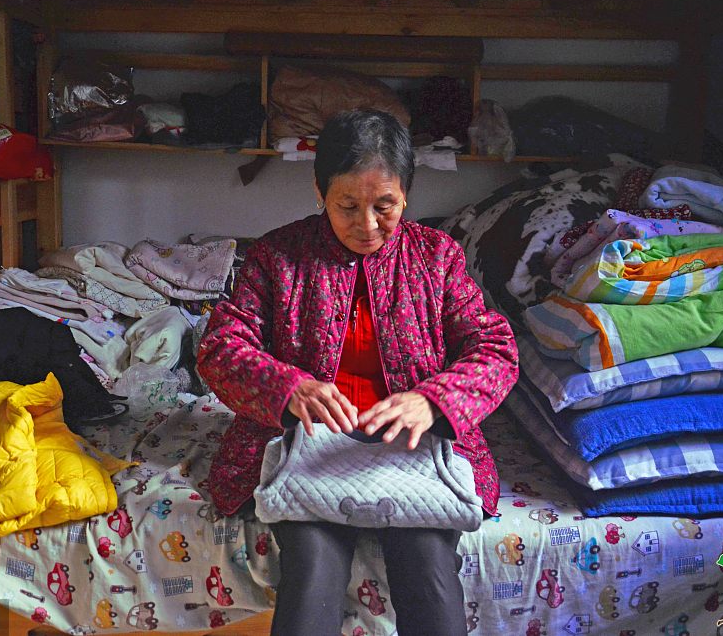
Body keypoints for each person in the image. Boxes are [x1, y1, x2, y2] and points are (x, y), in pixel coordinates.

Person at [197, 108, 519, 636]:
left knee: (430, 572)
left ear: (406, 195)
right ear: (320, 192)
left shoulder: (436, 257)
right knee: (311, 575)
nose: (367, 225)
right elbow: (220, 346)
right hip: (308, 446)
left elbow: (495, 348)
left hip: (413, 448)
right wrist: (289, 387)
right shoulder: (278, 255)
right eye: (347, 205)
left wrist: (434, 400)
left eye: (384, 205)